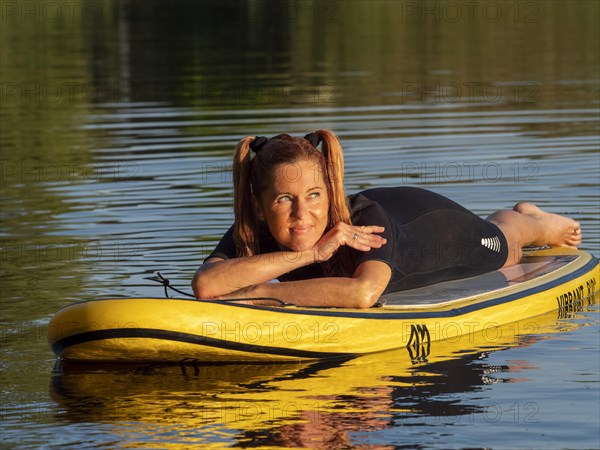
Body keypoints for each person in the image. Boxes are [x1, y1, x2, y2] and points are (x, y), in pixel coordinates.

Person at [192, 130, 582, 308]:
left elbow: (363, 294)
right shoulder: (253, 228)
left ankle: (532, 217)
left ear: (330, 194)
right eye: (283, 199)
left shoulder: (366, 222)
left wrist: (259, 293)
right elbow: (207, 286)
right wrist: (311, 255)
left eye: (314, 196)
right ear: (260, 206)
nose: (301, 214)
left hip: (435, 228)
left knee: (506, 244)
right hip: (399, 208)